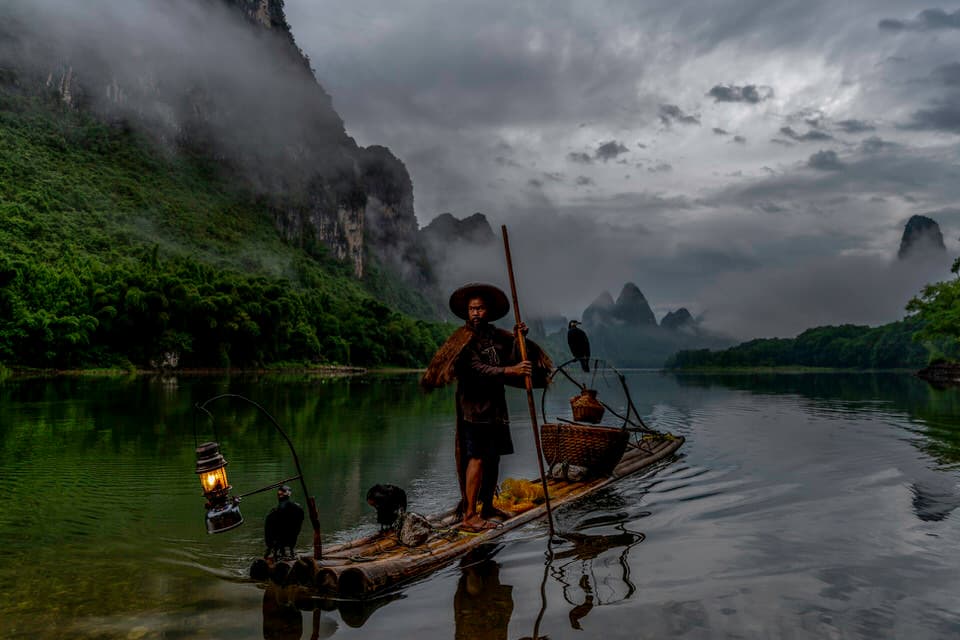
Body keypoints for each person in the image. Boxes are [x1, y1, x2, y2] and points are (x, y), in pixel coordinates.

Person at [421, 283, 552, 532]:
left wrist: (519, 339)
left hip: (496, 409)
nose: (476, 313)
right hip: (475, 410)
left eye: (480, 308)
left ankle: (488, 508)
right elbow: (476, 369)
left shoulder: (494, 336)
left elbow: (513, 358)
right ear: (467, 312)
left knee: (493, 460)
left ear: (488, 311)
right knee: (477, 459)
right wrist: (509, 371)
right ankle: (470, 514)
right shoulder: (464, 340)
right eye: (472, 309)